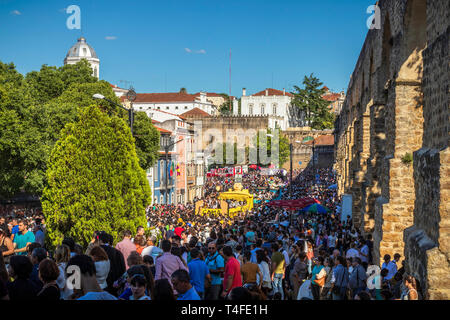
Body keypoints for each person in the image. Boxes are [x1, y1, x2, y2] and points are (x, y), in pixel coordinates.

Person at [98, 231, 126, 296]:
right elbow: (123, 269)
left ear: (100, 240)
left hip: (100, 286)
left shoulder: (96, 252)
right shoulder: (117, 252)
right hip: (114, 286)